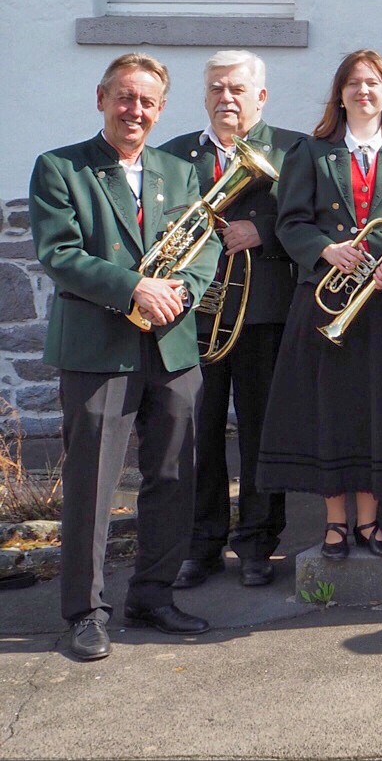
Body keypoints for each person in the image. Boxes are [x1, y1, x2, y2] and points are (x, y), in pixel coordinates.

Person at [31, 54, 221, 661]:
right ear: (101, 98)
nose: (135, 110)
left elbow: (205, 242)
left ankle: (153, 595)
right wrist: (134, 288)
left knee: (171, 476)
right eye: (124, 97)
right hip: (98, 346)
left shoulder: (177, 170)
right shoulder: (60, 167)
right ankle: (85, 612)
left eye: (147, 102)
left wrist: (183, 290)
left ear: (161, 110)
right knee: (92, 483)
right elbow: (58, 254)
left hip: (170, 343)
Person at [257, 51, 382, 561]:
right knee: (332, 412)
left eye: (374, 83)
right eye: (354, 84)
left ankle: (371, 521)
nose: (364, 91)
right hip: (327, 301)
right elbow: (290, 221)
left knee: (381, 409)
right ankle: (335, 523)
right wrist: (326, 249)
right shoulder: (311, 152)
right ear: (339, 94)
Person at [161, 51, 303, 591]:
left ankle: (258, 542)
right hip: (194, 314)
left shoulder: (293, 149)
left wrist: (263, 229)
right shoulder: (176, 155)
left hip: (262, 311)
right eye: (217, 88)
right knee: (197, 431)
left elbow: (309, 216)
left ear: (260, 97)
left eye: (238, 89)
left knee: (262, 429)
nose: (227, 98)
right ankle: (201, 543)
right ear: (205, 95)